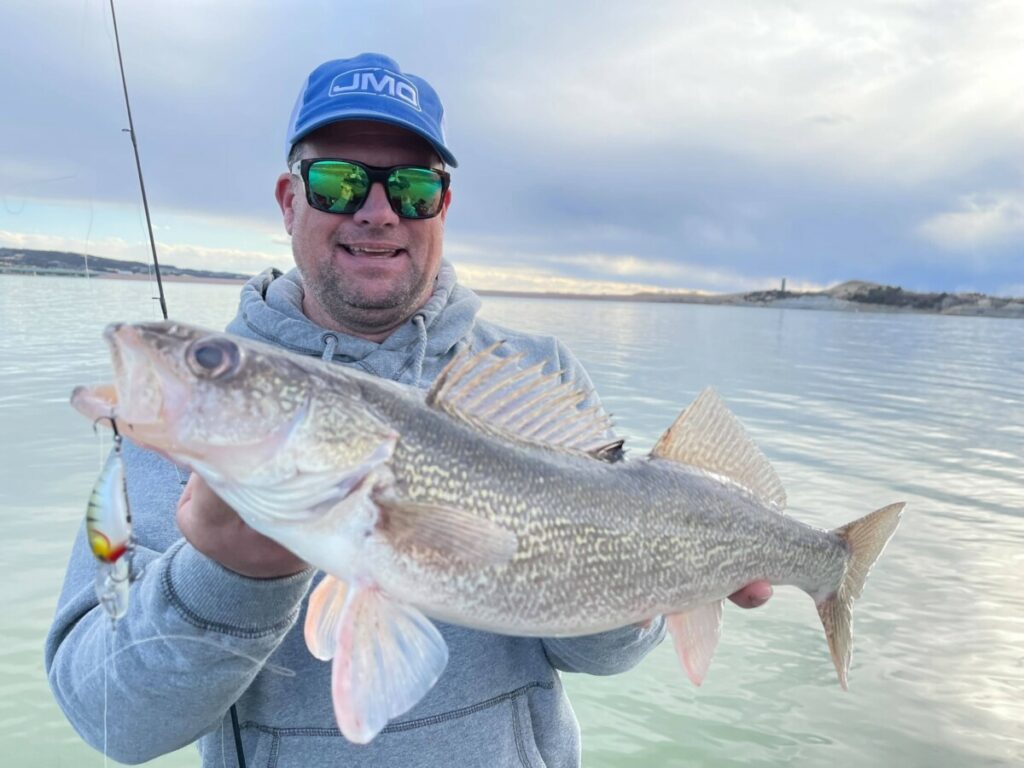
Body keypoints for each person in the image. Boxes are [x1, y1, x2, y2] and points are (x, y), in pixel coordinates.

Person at [46, 53, 772, 767]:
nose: (378, 211)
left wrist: (657, 584)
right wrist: (230, 577)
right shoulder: (180, 435)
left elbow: (602, 654)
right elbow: (111, 722)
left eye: (415, 188)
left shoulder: (538, 372)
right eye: (338, 181)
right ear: (288, 199)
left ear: (443, 207)